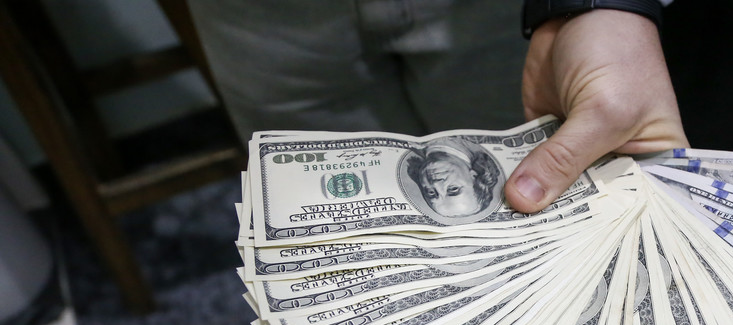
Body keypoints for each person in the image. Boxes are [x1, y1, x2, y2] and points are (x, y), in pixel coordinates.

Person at [187, 0, 688, 214]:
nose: (433, 186)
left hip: (495, 12)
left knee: (539, 218)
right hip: (257, 20)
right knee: (333, 233)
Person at [402, 137, 502, 224]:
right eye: (453, 189)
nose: (436, 184)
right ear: (474, 176)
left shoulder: (408, 146)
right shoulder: (473, 140)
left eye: (431, 192)